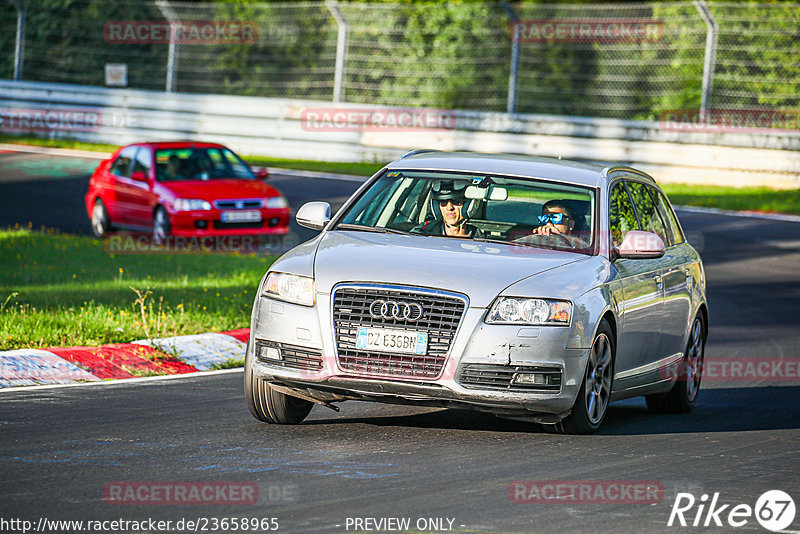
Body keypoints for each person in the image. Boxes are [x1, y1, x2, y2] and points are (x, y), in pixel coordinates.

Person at [412, 181, 485, 238]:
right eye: (443, 202)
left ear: (468, 205)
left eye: (456, 201)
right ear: (437, 206)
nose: (449, 207)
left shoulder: (480, 240)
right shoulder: (423, 232)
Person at [515, 199, 582, 247]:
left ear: (571, 224)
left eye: (555, 218)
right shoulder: (532, 241)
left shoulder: (581, 245)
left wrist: (561, 237)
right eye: (544, 219)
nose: (548, 224)